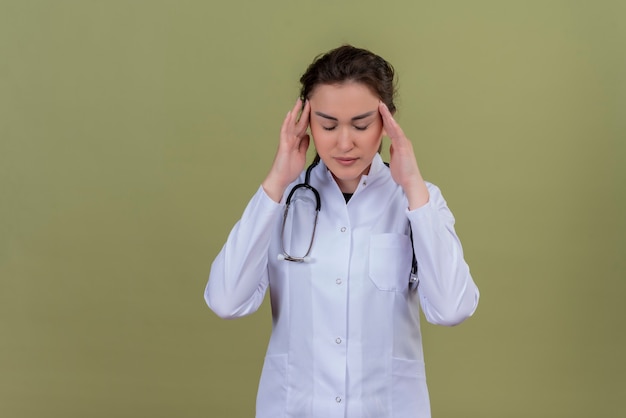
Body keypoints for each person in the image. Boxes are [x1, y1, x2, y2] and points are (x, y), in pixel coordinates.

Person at [204, 44, 479, 418]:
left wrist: (413, 186)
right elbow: (225, 300)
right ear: (307, 123)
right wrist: (275, 182)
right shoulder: (282, 201)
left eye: (362, 125)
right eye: (328, 125)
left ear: (387, 122)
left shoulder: (418, 202)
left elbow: (451, 308)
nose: (344, 142)